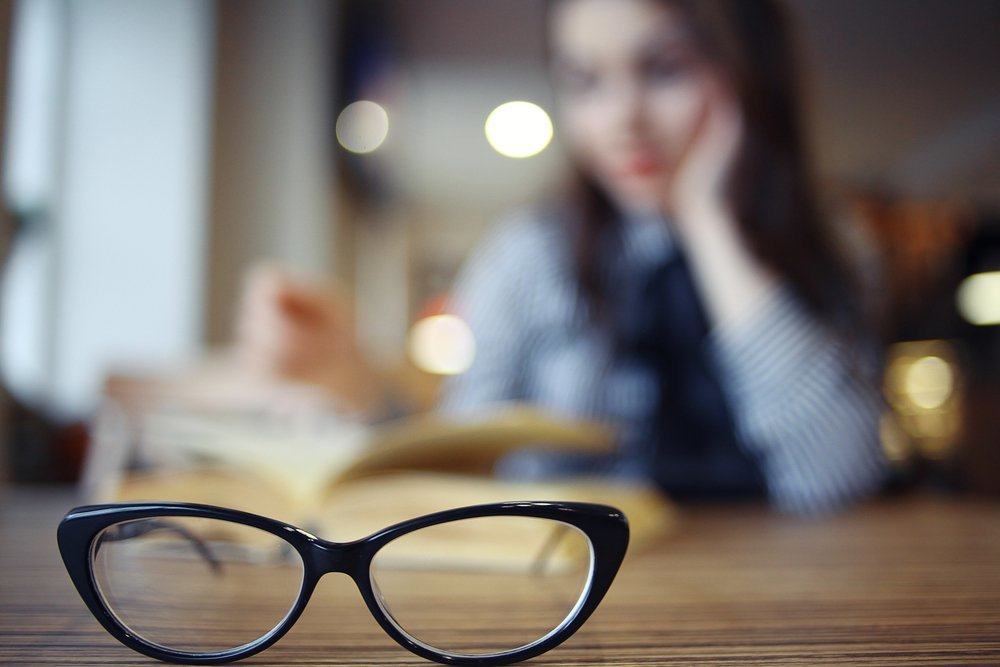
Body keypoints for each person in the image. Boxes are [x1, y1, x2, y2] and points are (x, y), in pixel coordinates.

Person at [237, 0, 887, 515]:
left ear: (747, 73)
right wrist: (358, 391)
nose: (622, 118)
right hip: (577, 596)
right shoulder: (529, 258)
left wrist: (710, 220)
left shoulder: (830, 243)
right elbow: (465, 447)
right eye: (585, 81)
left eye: (664, 68)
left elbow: (835, 476)